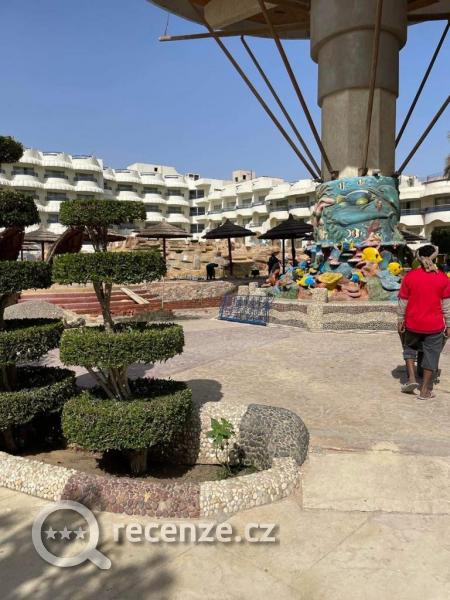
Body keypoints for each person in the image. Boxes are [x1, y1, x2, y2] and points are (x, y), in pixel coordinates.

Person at [398, 244, 450, 399]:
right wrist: (449, 324)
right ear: (435, 257)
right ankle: (425, 390)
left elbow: (403, 301)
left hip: (412, 323)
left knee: (409, 348)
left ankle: (411, 379)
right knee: (431, 355)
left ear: (418, 258)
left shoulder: (410, 276)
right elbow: (447, 305)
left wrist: (400, 319)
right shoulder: (442, 278)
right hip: (434, 325)